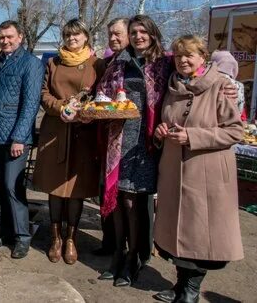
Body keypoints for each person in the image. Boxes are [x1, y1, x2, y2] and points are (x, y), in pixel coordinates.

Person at [153, 35, 243, 303]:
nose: (183, 60)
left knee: (200, 234)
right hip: (174, 170)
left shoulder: (219, 86)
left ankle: (191, 290)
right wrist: (160, 131)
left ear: (202, 57)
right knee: (178, 233)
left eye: (189, 55)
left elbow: (235, 131)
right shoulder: (173, 87)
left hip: (206, 172)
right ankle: (179, 285)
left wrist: (193, 137)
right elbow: (168, 122)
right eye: (179, 55)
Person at [97, 15, 173, 286]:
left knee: (133, 201)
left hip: (146, 142)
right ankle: (118, 253)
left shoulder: (165, 62)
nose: (138, 36)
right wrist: (98, 103)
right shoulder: (119, 61)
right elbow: (103, 93)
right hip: (118, 137)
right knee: (117, 200)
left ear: (152, 33)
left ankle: (132, 258)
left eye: (143, 31)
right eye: (134, 31)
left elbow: (181, 91)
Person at [33, 19, 104, 265]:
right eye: (67, 35)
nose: (72, 39)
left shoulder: (97, 64)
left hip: (83, 134)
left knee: (76, 189)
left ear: (86, 36)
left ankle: (71, 238)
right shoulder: (53, 62)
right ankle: (55, 238)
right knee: (55, 187)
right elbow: (44, 93)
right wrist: (60, 107)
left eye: (77, 35)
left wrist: (86, 112)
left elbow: (102, 95)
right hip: (55, 130)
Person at [0, 20, 44, 259]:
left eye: (9, 37)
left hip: (16, 138)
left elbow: (30, 105)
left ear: (20, 37)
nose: (5, 41)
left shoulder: (30, 64)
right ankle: (6, 232)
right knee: (0, 187)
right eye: (1, 37)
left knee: (13, 186)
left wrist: (19, 137)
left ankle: (22, 237)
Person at [94, 17, 130, 257]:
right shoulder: (108, 63)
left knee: (123, 196)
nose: (113, 39)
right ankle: (109, 242)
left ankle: (123, 248)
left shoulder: (136, 62)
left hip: (127, 140)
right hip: (105, 135)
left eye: (118, 34)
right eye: (110, 35)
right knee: (104, 189)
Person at [211, 50, 247, 121]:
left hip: (212, 125)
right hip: (233, 126)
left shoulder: (210, 81)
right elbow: (241, 111)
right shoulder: (239, 85)